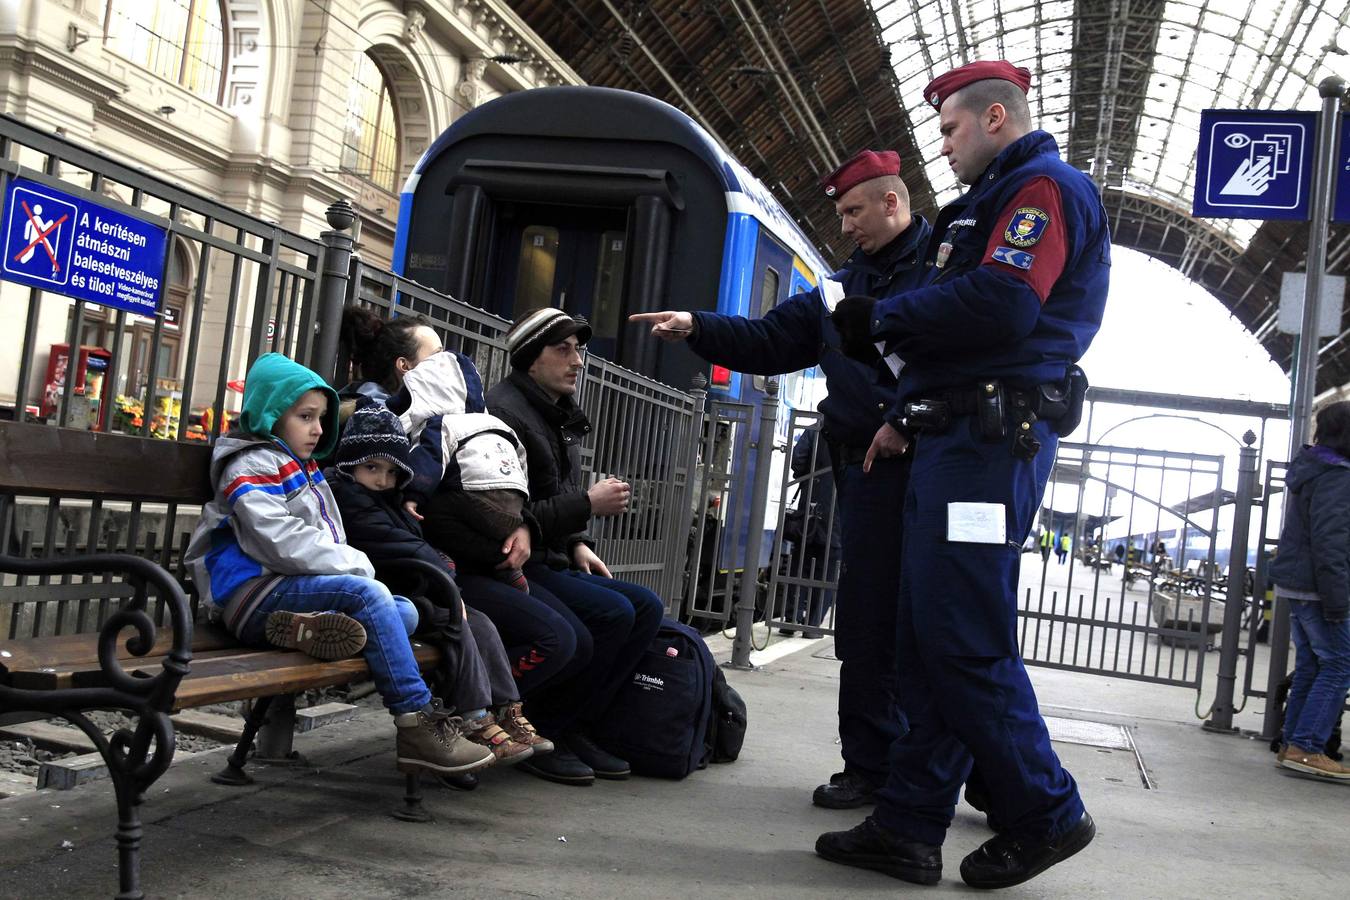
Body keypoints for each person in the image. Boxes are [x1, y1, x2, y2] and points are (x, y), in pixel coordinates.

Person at [821, 60, 1108, 888]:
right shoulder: (984, 204)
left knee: (963, 638)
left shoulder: (1042, 190)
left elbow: (1003, 304)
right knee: (926, 637)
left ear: (993, 119)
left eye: (949, 130)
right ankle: (909, 825)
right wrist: (906, 412)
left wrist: (884, 314)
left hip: (990, 444)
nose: (940, 148)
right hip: (953, 437)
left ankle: (1047, 809)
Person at [631, 148, 932, 810]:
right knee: (867, 622)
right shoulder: (835, 290)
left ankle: (961, 769)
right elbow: (771, 340)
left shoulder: (947, 267)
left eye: (854, 211)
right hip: (866, 473)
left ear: (892, 201)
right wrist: (697, 327)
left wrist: (912, 416)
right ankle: (870, 766)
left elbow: (966, 350)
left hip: (935, 467)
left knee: (939, 626)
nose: (846, 225)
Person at [183, 352, 495, 779]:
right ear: (271, 414)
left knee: (399, 609)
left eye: (321, 418)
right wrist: (356, 564)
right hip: (248, 595)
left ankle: (302, 629)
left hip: (287, 593)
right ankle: (415, 722)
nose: (317, 429)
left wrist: (349, 569)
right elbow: (278, 542)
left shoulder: (303, 467)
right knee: (371, 596)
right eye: (305, 417)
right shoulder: (251, 463)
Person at [338, 308, 591, 772]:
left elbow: (513, 489)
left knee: (591, 625)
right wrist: (517, 530)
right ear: (407, 369)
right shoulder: (393, 430)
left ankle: (508, 716)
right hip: (441, 574)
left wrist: (542, 531)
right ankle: (477, 716)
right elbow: (431, 514)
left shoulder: (453, 425)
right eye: (436, 354)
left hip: (462, 568)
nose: (452, 362)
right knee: (555, 636)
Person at [487, 307, 665, 786]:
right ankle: (547, 728)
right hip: (513, 564)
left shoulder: (553, 409)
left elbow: (551, 501)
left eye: (580, 350)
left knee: (646, 605)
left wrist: (579, 542)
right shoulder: (505, 413)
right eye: (562, 350)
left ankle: (578, 725)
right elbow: (509, 518)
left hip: (552, 552)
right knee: (610, 616)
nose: (577, 361)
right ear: (530, 358)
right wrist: (587, 503)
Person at [326, 403, 553, 775]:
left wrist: (439, 570)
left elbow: (408, 541)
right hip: (388, 593)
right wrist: (441, 569)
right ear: (352, 464)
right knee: (456, 625)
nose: (383, 479)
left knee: (481, 623)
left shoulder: (388, 499)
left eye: (391, 471)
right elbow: (393, 544)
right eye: (372, 468)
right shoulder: (348, 494)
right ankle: (475, 717)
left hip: (411, 587)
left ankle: (507, 708)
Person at [1268, 400, 1350, 781]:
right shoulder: (1337, 476)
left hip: (1297, 584)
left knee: (1311, 666)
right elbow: (1330, 542)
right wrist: (1338, 601)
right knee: (1338, 664)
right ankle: (1307, 747)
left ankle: (1292, 743)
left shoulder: (1313, 469)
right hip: (1319, 588)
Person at [780, 428, 842, 635]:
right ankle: (813, 625)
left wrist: (810, 478)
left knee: (800, 564)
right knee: (828, 570)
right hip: (839, 511)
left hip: (810, 506)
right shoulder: (855, 427)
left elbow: (798, 460)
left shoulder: (815, 429)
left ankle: (790, 619)